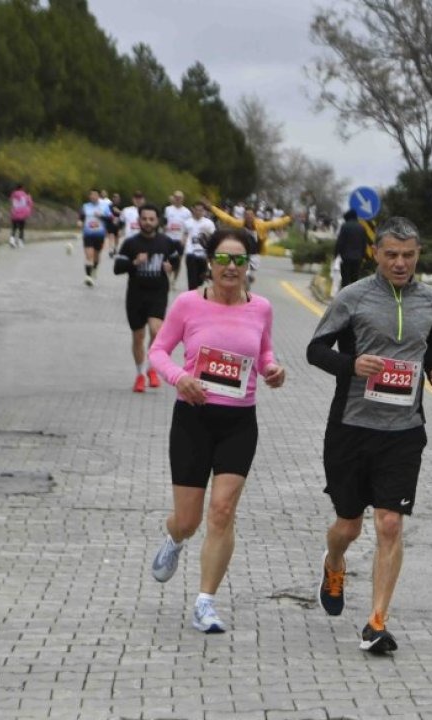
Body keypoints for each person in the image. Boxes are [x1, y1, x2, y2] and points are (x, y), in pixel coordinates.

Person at [305, 216, 432, 655]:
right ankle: (334, 563)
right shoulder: (352, 297)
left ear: (418, 254)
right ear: (376, 254)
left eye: (408, 255)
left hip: (404, 432)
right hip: (351, 428)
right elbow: (315, 350)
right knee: (348, 525)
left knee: (389, 523)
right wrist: (352, 365)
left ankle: (376, 621)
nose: (400, 263)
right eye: (391, 255)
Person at [146, 228, 286, 633]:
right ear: (209, 263)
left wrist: (273, 370)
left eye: (239, 260)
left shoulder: (261, 307)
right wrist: (178, 378)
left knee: (222, 512)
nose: (230, 267)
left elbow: (263, 353)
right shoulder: (188, 304)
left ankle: (205, 602)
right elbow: (158, 350)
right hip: (193, 419)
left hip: (239, 422)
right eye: (223, 259)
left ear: (248, 266)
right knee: (189, 520)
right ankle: (174, 539)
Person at [114, 204, 183, 392]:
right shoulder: (131, 243)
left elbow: (176, 259)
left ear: (157, 221)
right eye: (144, 219)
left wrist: (171, 267)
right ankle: (139, 374)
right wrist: (134, 263)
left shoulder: (166, 242)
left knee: (156, 331)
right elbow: (117, 268)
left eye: (151, 219)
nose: (147, 222)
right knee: (138, 336)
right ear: (139, 220)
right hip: (135, 296)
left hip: (157, 294)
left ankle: (153, 369)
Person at [207, 202, 292, 283]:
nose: (249, 217)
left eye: (251, 215)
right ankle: (243, 282)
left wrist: (289, 218)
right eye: (246, 215)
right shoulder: (239, 224)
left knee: (249, 273)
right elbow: (227, 218)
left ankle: (248, 279)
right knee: (243, 273)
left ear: (254, 216)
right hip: (242, 254)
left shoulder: (261, 225)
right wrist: (212, 208)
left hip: (255, 253)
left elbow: (275, 223)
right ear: (244, 216)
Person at [77, 189, 112, 286]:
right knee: (89, 256)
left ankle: (94, 269)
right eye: (91, 195)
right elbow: (81, 216)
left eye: (95, 195)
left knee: (96, 257)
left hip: (100, 235)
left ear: (98, 196)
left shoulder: (105, 207)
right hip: (88, 234)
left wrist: (101, 216)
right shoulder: (85, 206)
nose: (93, 197)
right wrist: (80, 222)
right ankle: (88, 277)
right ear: (89, 196)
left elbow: (110, 219)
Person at [183, 202, 216, 290]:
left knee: (201, 278)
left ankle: (198, 284)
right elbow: (185, 235)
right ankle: (192, 295)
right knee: (192, 278)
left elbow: (213, 237)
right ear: (193, 210)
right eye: (197, 210)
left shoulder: (208, 223)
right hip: (190, 252)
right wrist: (182, 245)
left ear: (204, 211)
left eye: (201, 210)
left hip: (203, 253)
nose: (198, 212)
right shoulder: (187, 222)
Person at [334, 209, 367, 289]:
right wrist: (362, 256)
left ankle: (345, 296)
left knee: (345, 279)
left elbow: (340, 242)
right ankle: (353, 297)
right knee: (354, 279)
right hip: (357, 258)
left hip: (346, 257)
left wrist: (335, 254)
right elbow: (364, 243)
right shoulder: (361, 228)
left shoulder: (345, 226)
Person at [165, 191, 193, 283]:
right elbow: (164, 222)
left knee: (178, 261)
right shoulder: (168, 209)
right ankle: (167, 278)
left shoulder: (187, 212)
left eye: (179, 198)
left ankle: (174, 280)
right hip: (169, 238)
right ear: (173, 198)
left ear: (183, 199)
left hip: (180, 239)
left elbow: (189, 228)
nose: (177, 199)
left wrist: (185, 239)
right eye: (176, 197)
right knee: (167, 259)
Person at [9, 184, 33, 248]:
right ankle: (20, 242)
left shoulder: (13, 195)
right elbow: (30, 203)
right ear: (22, 188)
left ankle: (12, 240)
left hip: (14, 213)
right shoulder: (25, 195)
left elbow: (11, 203)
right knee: (21, 229)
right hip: (22, 214)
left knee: (14, 228)